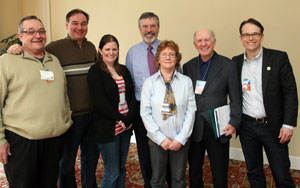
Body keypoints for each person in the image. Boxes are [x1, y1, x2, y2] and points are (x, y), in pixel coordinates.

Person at [7, 9, 99, 188]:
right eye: (75, 23)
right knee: (66, 163)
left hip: (91, 116)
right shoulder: (54, 48)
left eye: (83, 23)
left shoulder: (90, 48)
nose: (79, 27)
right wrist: (16, 47)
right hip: (71, 118)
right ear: (66, 25)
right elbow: (33, 50)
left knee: (90, 159)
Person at [0, 15, 72, 188]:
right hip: (22, 142)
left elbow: (63, 96)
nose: (37, 36)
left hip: (53, 141)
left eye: (41, 31)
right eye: (30, 32)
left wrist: (67, 120)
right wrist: (1, 140)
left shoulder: (53, 61)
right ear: (20, 36)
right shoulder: (7, 61)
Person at [232, 18, 298, 187]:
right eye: (246, 34)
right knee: (254, 172)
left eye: (255, 34)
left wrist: (288, 124)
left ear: (261, 36)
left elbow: (290, 93)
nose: (250, 38)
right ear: (241, 38)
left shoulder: (278, 58)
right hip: (247, 127)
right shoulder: (236, 62)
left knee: (281, 174)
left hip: (273, 127)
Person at [183, 28, 242, 188]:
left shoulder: (229, 65)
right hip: (194, 127)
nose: (204, 44)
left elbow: (236, 98)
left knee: (219, 171)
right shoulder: (187, 67)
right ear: (195, 44)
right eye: (200, 41)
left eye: (207, 40)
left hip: (218, 125)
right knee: (194, 171)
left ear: (214, 42)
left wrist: (234, 121)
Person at [140, 40, 196, 188]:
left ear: (177, 58)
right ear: (158, 58)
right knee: (157, 178)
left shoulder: (186, 82)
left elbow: (191, 111)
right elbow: (145, 113)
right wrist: (160, 139)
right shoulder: (149, 83)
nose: (168, 57)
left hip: (180, 139)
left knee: (178, 179)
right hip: (157, 140)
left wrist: (181, 138)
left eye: (172, 54)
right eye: (164, 54)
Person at [87, 34, 136, 188]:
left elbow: (131, 96)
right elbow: (100, 102)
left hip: (125, 126)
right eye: (107, 49)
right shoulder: (95, 71)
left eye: (114, 49)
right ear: (100, 50)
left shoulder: (123, 70)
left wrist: (128, 119)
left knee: (121, 168)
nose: (111, 52)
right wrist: (120, 118)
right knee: (112, 170)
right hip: (108, 127)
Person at [125, 12, 161, 188]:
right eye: (145, 26)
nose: (149, 30)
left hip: (165, 108)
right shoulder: (132, 53)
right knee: (144, 150)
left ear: (158, 28)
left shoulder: (167, 49)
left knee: (164, 147)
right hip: (141, 109)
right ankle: (149, 183)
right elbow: (129, 85)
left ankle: (164, 181)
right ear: (140, 29)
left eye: (152, 26)